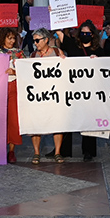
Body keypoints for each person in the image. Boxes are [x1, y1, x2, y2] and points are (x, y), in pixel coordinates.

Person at [57, 20, 102, 160]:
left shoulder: (99, 51)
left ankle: (88, 151)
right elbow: (59, 32)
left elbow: (107, 67)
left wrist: (98, 60)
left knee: (88, 120)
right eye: (82, 33)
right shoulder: (72, 46)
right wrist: (55, 13)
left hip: (90, 91)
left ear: (93, 35)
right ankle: (64, 150)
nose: (84, 35)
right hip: (72, 89)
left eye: (87, 33)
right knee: (67, 118)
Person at [28, 28, 64, 164]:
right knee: (35, 123)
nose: (35, 43)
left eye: (38, 40)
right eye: (34, 41)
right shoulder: (32, 55)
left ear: (46, 40)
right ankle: (36, 152)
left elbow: (67, 67)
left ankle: (57, 152)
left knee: (57, 122)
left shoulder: (56, 52)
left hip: (55, 94)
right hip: (37, 94)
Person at [0, 27, 26, 163]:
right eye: (9, 38)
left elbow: (27, 71)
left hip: (14, 88)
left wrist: (16, 72)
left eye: (13, 38)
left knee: (13, 119)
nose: (12, 41)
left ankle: (11, 151)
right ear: (2, 38)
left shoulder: (20, 54)